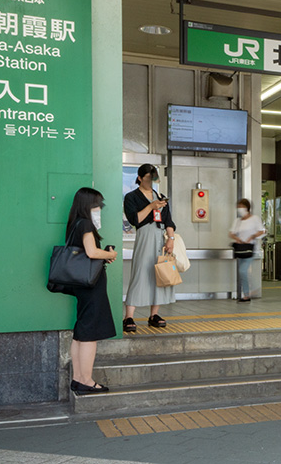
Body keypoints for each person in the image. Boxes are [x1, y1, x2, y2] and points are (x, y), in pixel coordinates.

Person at [66, 187, 118, 395]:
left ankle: (77, 379)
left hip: (80, 285)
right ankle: (86, 380)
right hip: (91, 286)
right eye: (97, 205)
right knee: (89, 334)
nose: (99, 209)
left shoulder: (74, 224)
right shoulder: (86, 223)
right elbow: (91, 251)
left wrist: (104, 255)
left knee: (80, 333)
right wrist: (108, 254)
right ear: (88, 205)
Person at [123, 164, 177, 331]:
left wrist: (171, 239)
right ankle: (129, 316)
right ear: (140, 178)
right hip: (145, 235)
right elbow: (135, 220)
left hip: (161, 236)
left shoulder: (160, 196)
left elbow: (168, 221)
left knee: (159, 273)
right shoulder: (131, 197)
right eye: (147, 178)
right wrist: (151, 206)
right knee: (140, 272)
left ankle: (154, 314)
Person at [229, 198, 265, 302]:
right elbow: (231, 233)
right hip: (240, 249)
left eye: (241, 207)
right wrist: (237, 239)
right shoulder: (237, 221)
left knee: (242, 271)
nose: (239, 209)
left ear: (247, 208)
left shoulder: (255, 219)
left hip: (250, 249)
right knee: (242, 272)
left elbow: (261, 231)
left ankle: (249, 292)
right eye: (238, 207)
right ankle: (247, 294)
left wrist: (252, 236)